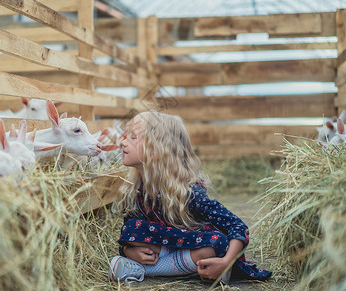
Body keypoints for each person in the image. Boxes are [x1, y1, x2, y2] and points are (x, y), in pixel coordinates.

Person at [109, 110, 271, 284]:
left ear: (156, 149)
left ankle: (145, 270)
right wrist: (128, 250)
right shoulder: (135, 191)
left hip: (194, 246)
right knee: (132, 227)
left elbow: (237, 226)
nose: (123, 142)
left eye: (133, 137)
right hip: (163, 248)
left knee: (216, 242)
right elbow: (128, 235)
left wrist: (226, 261)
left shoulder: (189, 193)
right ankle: (166, 267)